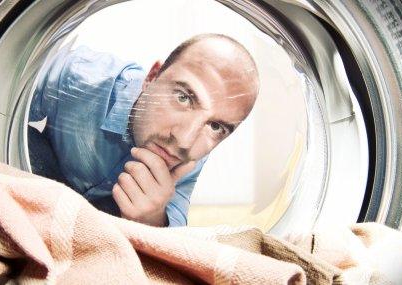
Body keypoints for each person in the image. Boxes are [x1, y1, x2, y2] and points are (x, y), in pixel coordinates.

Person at [28, 33, 259, 227]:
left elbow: (176, 218)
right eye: (183, 97)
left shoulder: (193, 154)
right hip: (41, 174)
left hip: (97, 220)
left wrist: (153, 218)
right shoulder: (80, 76)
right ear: (151, 77)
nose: (184, 141)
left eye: (216, 126)